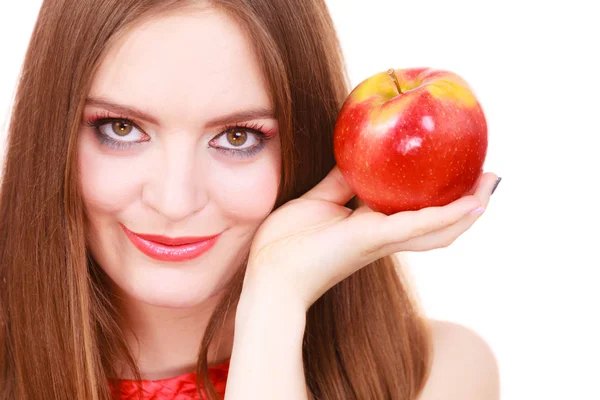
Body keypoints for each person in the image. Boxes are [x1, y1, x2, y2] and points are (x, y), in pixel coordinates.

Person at [0, 0, 501, 399]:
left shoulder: (439, 376)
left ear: (305, 145)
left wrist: (276, 301)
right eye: (121, 128)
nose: (175, 201)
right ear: (53, 135)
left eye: (238, 137)